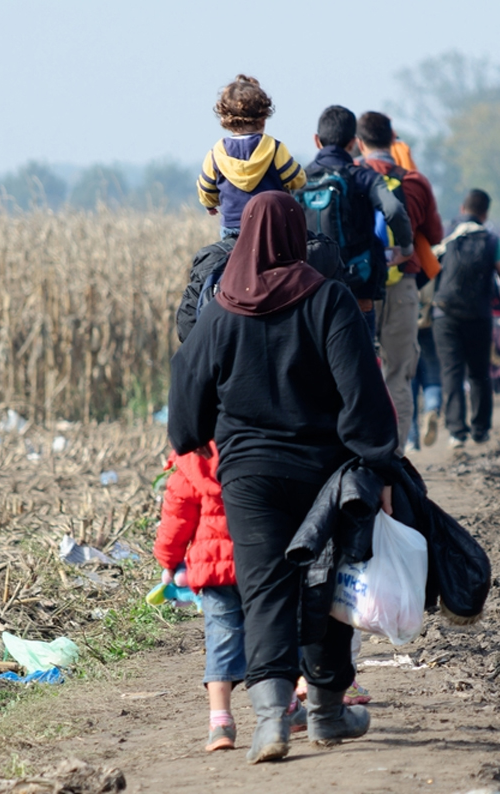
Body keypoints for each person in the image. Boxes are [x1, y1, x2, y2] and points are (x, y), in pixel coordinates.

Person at [168, 192, 399, 764]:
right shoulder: (329, 301)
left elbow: (186, 384)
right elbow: (362, 391)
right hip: (324, 473)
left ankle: (272, 720)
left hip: (247, 478)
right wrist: (379, 462)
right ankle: (324, 711)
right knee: (327, 585)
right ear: (298, 236)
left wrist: (193, 436)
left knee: (264, 589)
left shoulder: (221, 310)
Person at [152, 444, 306, 752]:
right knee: (270, 636)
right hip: (260, 561)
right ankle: (287, 708)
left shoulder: (190, 460)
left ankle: (220, 723)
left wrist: (168, 560)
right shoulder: (257, 445)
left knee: (221, 641)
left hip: (212, 569)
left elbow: (175, 519)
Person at [356, 111, 444, 450]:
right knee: (399, 375)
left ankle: (364, 455)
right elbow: (435, 234)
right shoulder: (415, 182)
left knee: (362, 374)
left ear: (359, 142)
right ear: (394, 140)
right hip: (404, 285)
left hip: (362, 288)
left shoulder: (351, 178)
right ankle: (394, 458)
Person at [300, 106, 413, 340]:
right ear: (353, 142)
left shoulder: (299, 179)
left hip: (310, 287)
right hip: (357, 284)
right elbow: (393, 209)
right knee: (360, 362)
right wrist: (406, 247)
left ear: (316, 140)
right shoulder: (363, 177)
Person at [432, 189, 500, 448]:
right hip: (479, 314)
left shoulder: (446, 236)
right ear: (485, 213)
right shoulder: (493, 241)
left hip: (444, 314)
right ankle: (480, 429)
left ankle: (456, 431)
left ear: (462, 209)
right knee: (479, 372)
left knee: (451, 371)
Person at [196, 75, 306, 237]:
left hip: (233, 225)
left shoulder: (216, 153)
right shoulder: (274, 148)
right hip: (271, 224)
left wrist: (210, 204)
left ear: (225, 120)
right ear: (262, 120)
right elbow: (298, 180)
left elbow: (206, 190)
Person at [407, 276, 442, 452]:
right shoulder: (431, 260)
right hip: (430, 327)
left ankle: (411, 439)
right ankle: (432, 408)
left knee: (408, 383)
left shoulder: (403, 258)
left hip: (405, 328)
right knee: (433, 378)